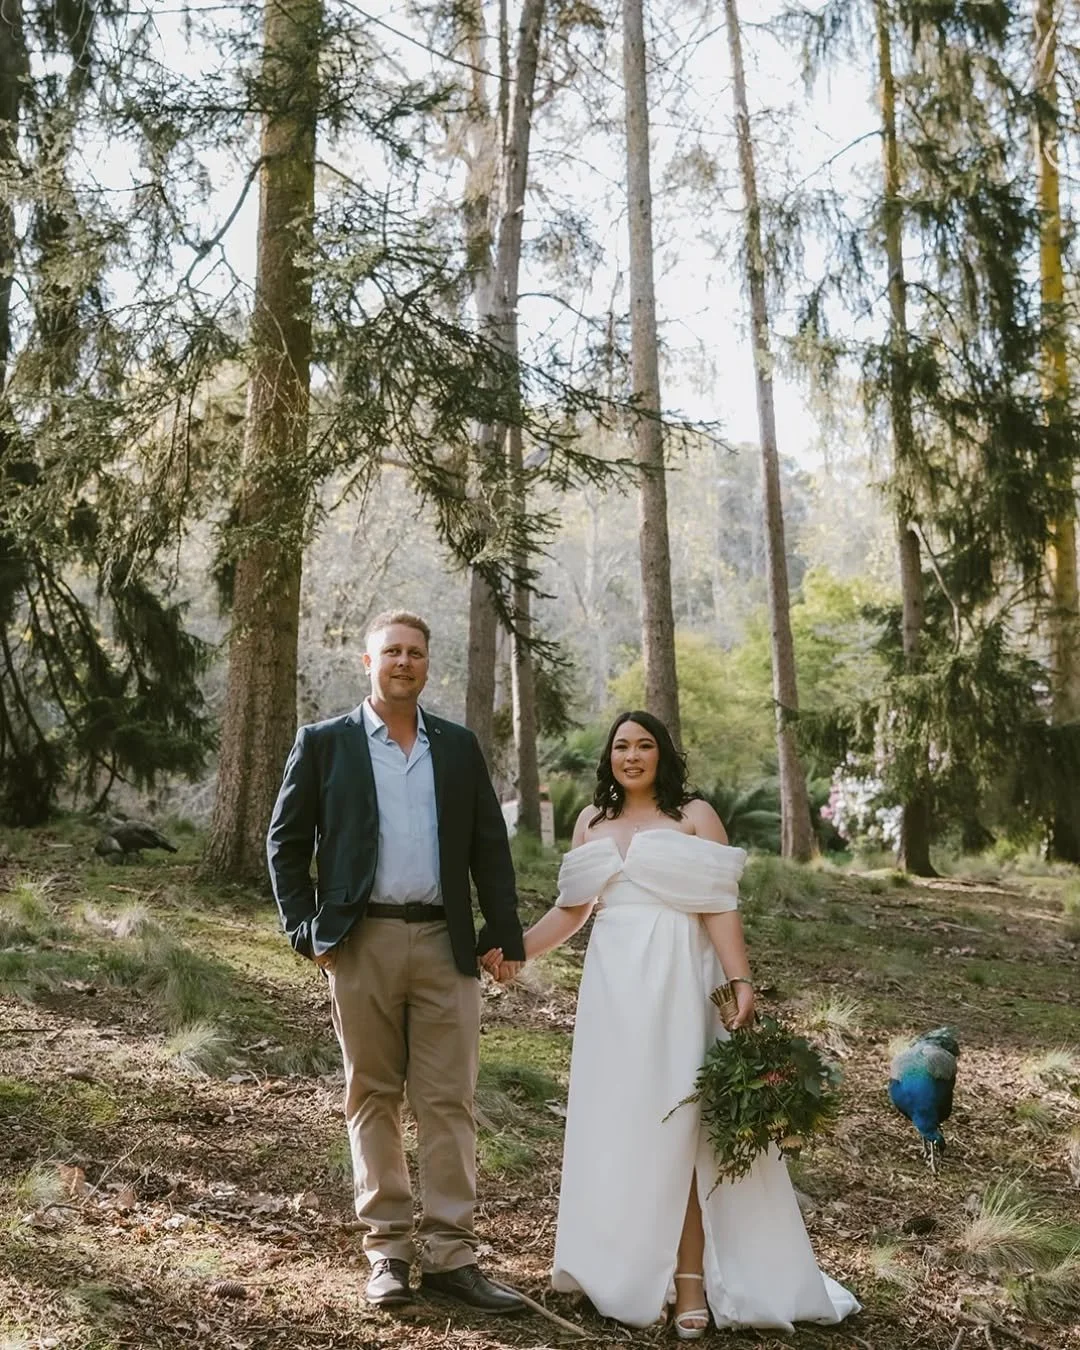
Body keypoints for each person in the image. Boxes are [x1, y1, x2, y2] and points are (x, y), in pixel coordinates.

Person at [485, 710, 859, 1336]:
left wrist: (741, 982)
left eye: (644, 745)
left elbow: (720, 907)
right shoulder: (590, 821)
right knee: (623, 1123)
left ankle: (690, 1280)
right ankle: (626, 1269)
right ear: (609, 757)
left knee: (683, 1125)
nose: (632, 756)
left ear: (662, 754)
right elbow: (572, 910)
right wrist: (515, 952)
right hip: (613, 991)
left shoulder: (694, 815)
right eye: (621, 746)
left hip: (682, 978)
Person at [267, 610, 525, 1315]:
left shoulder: (457, 746)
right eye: (392, 652)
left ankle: (451, 1257)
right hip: (362, 942)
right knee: (372, 1095)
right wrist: (306, 931)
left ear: (427, 664)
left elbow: (488, 847)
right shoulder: (325, 743)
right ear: (368, 662)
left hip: (446, 944)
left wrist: (504, 931)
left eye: (415, 652)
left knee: (449, 1100)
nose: (404, 662)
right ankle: (387, 1253)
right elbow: (284, 843)